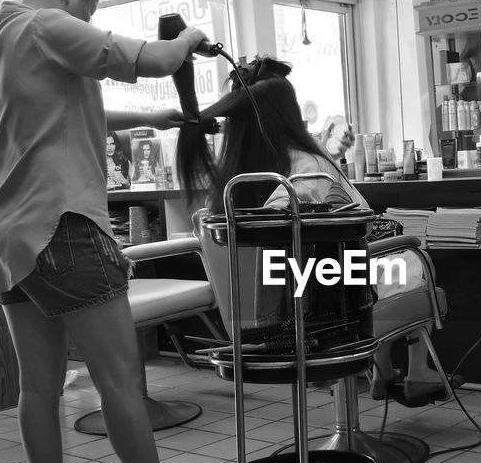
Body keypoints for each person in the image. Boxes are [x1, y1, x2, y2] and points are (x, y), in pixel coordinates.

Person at [0, 0, 218, 463]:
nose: (89, 22)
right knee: (119, 378)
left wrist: (152, 120)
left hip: (6, 235)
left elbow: (59, 114)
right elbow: (161, 59)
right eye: (91, 8)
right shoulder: (47, 24)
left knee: (39, 386)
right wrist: (191, 36)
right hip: (61, 227)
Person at [180, 56, 448, 406]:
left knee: (367, 264)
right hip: (323, 313)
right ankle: (415, 370)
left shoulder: (231, 183)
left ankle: (385, 371)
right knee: (413, 260)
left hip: (258, 318)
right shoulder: (310, 171)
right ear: (290, 114)